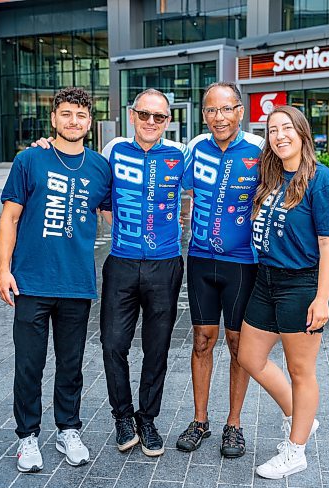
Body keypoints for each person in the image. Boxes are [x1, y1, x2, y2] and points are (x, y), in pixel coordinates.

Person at [0, 87, 112, 473]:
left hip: (76, 283)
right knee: (29, 364)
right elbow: (10, 218)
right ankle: (27, 437)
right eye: (65, 114)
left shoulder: (100, 167)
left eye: (80, 115)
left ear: (90, 122)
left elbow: (112, 216)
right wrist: (2, 269)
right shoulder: (30, 159)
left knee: (71, 364)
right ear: (54, 119)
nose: (73, 121)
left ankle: (67, 429)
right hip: (30, 282)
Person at [237, 105, 329, 479]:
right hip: (266, 279)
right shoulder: (270, 176)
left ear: (301, 133)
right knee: (250, 357)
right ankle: (301, 417)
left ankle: (296, 450)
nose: (279, 135)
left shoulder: (322, 181)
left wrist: (322, 298)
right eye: (272, 130)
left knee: (301, 371)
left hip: (301, 284)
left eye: (287, 128)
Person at [100, 89, 192, 457]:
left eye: (159, 117)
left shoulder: (180, 154)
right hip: (121, 262)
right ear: (132, 115)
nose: (151, 122)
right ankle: (122, 416)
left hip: (166, 264)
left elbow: (207, 187)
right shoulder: (113, 152)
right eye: (144, 115)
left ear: (168, 121)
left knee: (157, 348)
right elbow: (102, 199)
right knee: (112, 344)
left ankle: (147, 419)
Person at [176, 82, 264, 458]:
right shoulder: (195, 147)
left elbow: (289, 180)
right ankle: (200, 420)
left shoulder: (259, 149)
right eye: (211, 110)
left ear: (239, 111)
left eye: (226, 109)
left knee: (237, 344)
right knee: (201, 340)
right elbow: (172, 184)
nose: (219, 118)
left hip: (243, 263)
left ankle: (234, 423)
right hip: (199, 259)